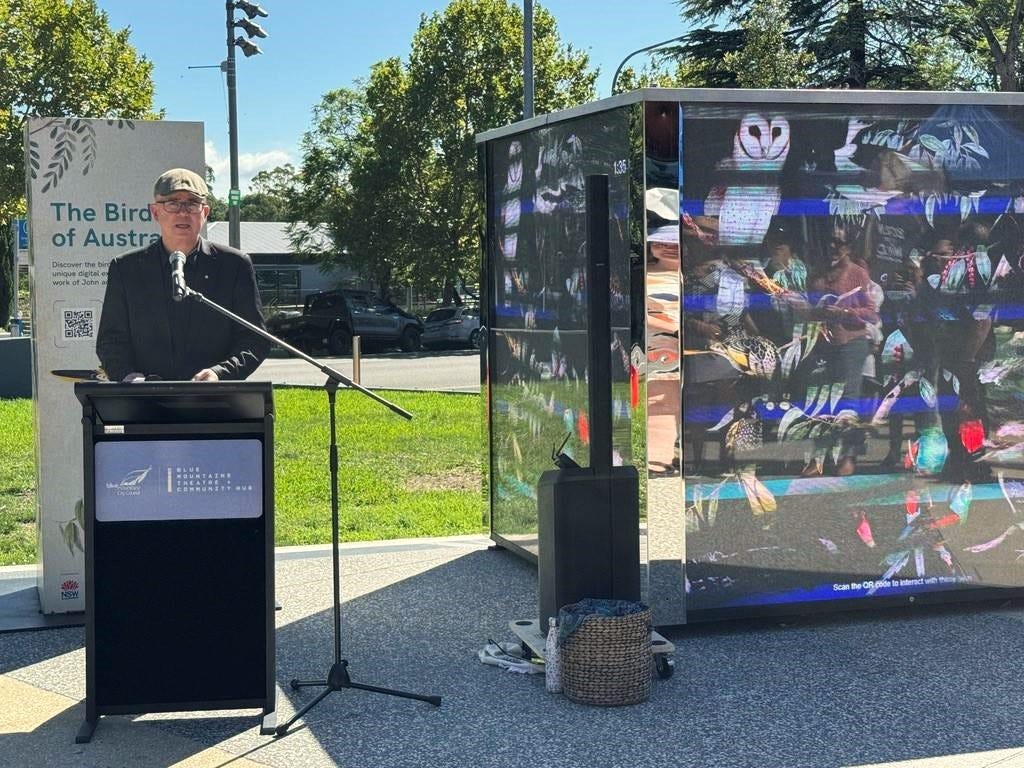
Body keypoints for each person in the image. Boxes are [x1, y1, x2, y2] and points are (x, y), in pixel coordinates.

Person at [96, 167, 269, 382]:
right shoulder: (126, 269)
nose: (183, 212)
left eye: (192, 203)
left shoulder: (234, 266)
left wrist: (220, 372)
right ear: (155, 212)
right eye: (172, 203)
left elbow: (255, 339)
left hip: (215, 403)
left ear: (205, 213)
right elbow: (110, 340)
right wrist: (129, 376)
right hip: (144, 403)